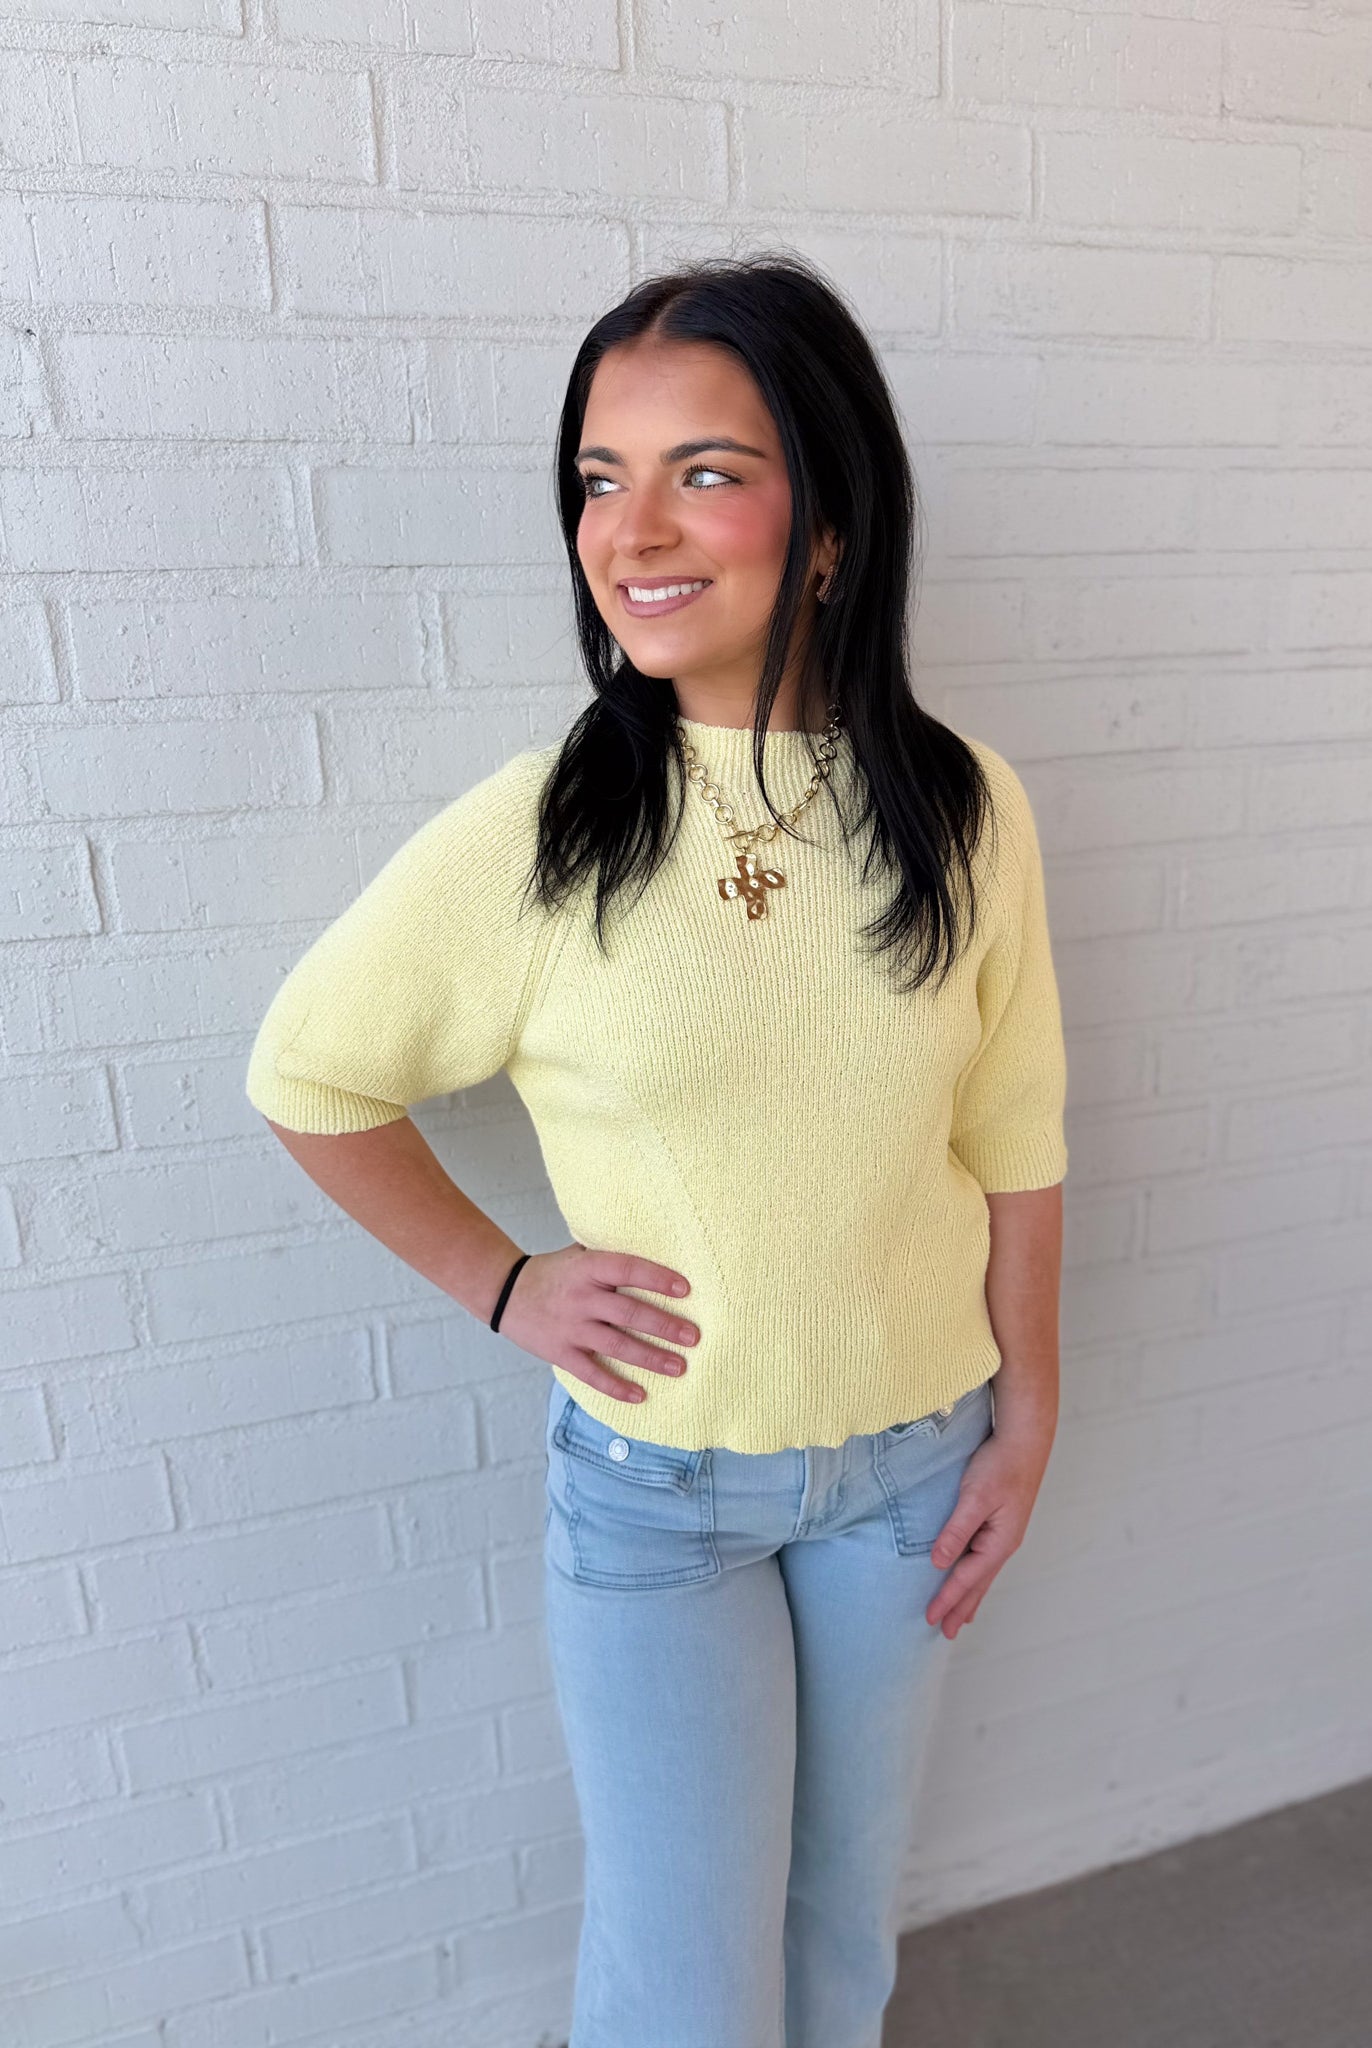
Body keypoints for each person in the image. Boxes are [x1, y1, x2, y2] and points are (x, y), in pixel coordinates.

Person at [246, 251, 1068, 2048]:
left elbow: (1015, 1127)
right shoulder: (544, 829)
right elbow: (311, 1077)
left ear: (830, 519)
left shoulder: (965, 806)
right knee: (685, 1988)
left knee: (841, 1934)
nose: (632, 529)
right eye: (597, 481)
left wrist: (1030, 1407)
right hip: (658, 1500)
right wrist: (508, 1282)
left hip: (912, 1477)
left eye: (705, 469)